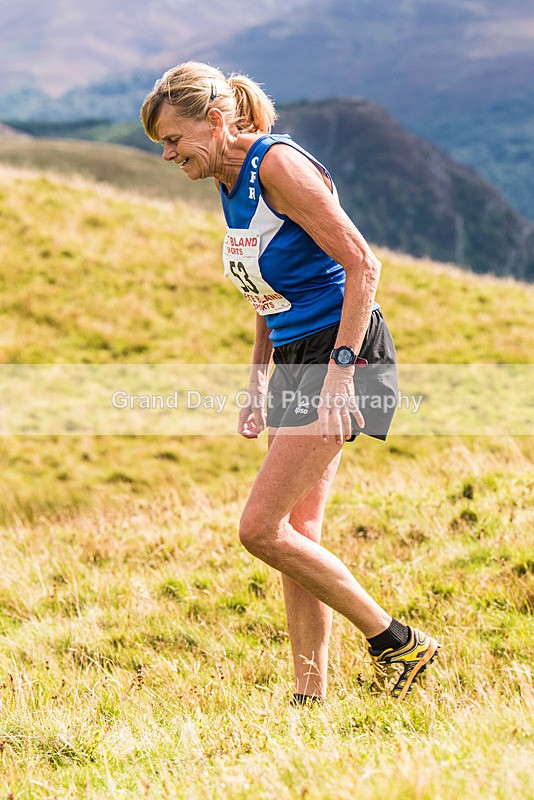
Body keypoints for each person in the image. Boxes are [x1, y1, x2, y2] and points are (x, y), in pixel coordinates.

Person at [141, 61, 440, 704]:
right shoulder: (227, 179)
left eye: (172, 140)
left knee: (259, 530)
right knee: (296, 537)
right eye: (160, 146)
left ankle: (398, 642)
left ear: (215, 121)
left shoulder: (277, 166)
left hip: (343, 354)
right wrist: (257, 383)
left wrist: (338, 376)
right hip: (297, 355)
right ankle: (309, 699)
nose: (167, 155)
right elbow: (265, 290)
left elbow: (364, 265)